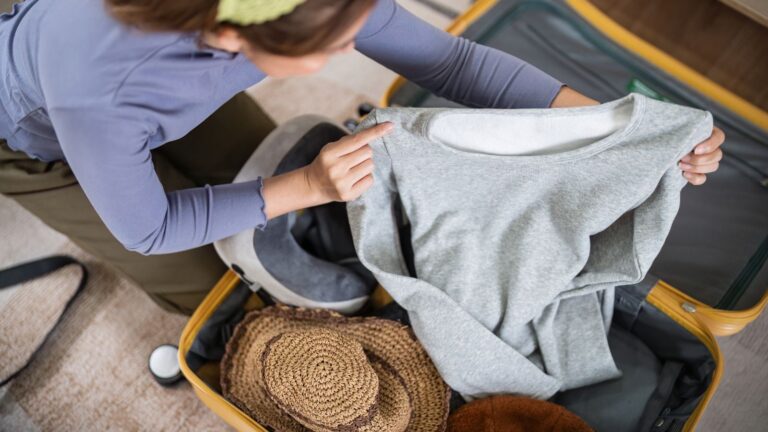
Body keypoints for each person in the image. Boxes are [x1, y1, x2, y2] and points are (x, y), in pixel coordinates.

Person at [0, 0, 724, 315]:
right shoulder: (99, 88)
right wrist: (306, 186)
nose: (359, 44)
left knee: (253, 190)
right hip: (33, 145)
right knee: (218, 286)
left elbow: (458, 66)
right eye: (336, 46)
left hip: (148, 102)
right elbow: (148, 227)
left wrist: (622, 130)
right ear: (233, 40)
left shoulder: (289, 7)